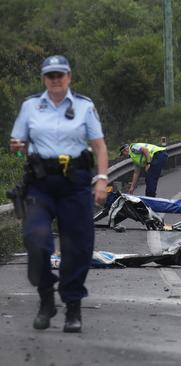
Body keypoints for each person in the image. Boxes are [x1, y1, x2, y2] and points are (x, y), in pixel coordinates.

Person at [9, 55, 109, 332]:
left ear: (69, 77)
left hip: (75, 183)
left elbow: (99, 146)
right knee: (35, 239)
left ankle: (73, 308)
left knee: (78, 247)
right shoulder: (31, 106)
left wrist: (101, 180)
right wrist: (19, 147)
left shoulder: (84, 106)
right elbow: (17, 142)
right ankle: (45, 298)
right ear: (44, 78)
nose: (55, 80)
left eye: (60, 75)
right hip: (40, 184)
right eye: (50, 75)